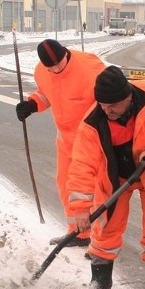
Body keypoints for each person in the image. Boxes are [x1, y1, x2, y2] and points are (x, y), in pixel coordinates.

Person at [66, 66, 145, 289]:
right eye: (102, 105)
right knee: (106, 224)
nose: (106, 110)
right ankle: (101, 280)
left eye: (112, 105)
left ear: (128, 96)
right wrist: (80, 208)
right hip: (115, 177)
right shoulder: (93, 121)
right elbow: (81, 164)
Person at [16, 39, 107, 247]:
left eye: (59, 64)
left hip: (93, 140)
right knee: (66, 184)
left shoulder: (89, 67)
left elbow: (109, 98)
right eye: (51, 67)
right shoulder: (42, 71)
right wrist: (31, 104)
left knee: (95, 190)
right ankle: (78, 233)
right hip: (65, 139)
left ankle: (102, 241)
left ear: (66, 53)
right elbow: (47, 95)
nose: (56, 70)